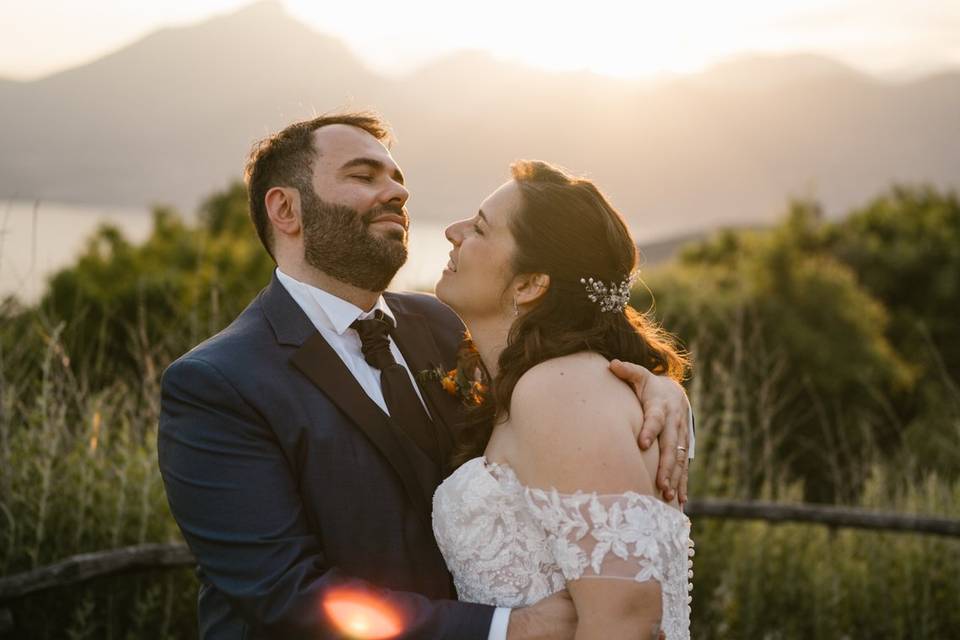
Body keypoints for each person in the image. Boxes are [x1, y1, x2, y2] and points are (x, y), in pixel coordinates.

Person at [158, 112, 693, 639]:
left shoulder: (442, 325)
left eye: (398, 179)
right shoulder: (217, 383)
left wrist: (658, 389)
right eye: (364, 176)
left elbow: (566, 411)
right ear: (286, 209)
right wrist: (509, 628)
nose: (396, 193)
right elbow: (282, 594)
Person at [432, 160, 694, 639]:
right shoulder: (544, 385)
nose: (453, 231)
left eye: (480, 228)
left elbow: (628, 618)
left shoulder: (558, 389)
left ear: (531, 283)